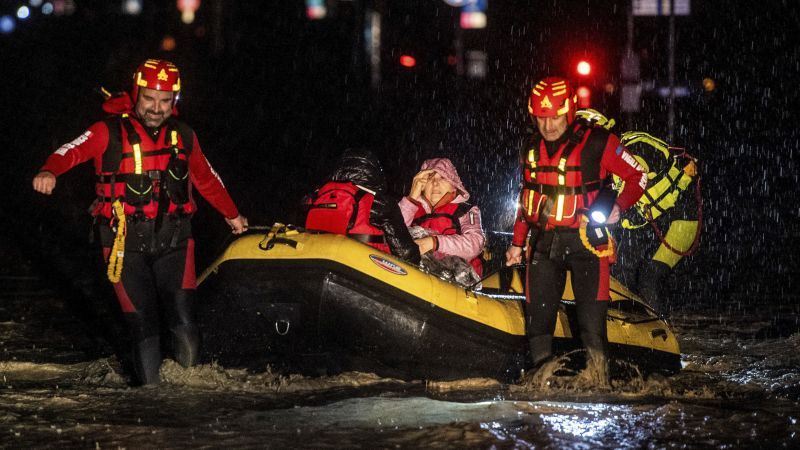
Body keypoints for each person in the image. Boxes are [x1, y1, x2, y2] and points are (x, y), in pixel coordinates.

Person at [32, 59, 248, 385]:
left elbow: (206, 179)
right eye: (149, 98)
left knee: (184, 321)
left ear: (174, 101)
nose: (156, 108)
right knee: (143, 324)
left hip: (175, 239)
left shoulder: (184, 135)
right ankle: (152, 402)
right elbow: (69, 151)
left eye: (165, 101)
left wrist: (232, 215)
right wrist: (50, 171)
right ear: (136, 94)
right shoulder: (106, 131)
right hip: (122, 243)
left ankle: (191, 397)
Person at [504, 76, 647, 381]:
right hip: (543, 244)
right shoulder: (529, 147)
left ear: (569, 111)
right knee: (538, 326)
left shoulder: (599, 141)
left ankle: (599, 387)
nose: (549, 125)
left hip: (587, 244)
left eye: (555, 116)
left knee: (592, 329)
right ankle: (541, 389)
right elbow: (527, 197)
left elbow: (638, 177)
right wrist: (517, 243)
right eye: (542, 117)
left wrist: (618, 208)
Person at [615, 131, 701, 316]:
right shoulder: (610, 153)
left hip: (682, 221)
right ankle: (623, 320)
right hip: (653, 218)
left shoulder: (636, 150)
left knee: (649, 276)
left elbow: (639, 176)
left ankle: (660, 329)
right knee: (621, 270)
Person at [304, 148, 421, 265]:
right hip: (362, 269)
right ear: (375, 173)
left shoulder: (315, 197)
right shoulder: (382, 204)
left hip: (316, 261)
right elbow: (407, 256)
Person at [398, 158, 485, 283]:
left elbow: (475, 243)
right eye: (430, 178)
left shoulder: (466, 210)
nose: (435, 183)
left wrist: (433, 243)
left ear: (454, 186)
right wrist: (411, 198)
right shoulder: (411, 208)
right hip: (417, 277)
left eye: (443, 178)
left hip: (457, 283)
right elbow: (393, 233)